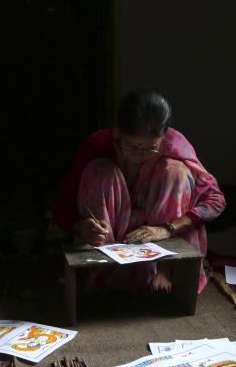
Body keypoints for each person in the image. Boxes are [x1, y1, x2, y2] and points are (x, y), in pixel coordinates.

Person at [52, 87, 226, 293]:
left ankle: (165, 268)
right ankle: (102, 270)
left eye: (150, 148)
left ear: (163, 136)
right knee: (98, 170)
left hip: (161, 237)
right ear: (117, 132)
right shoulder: (98, 144)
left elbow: (215, 201)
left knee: (175, 171)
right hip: (113, 239)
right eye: (130, 146)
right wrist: (82, 226)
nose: (137, 156)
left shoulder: (174, 144)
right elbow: (62, 209)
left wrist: (167, 229)